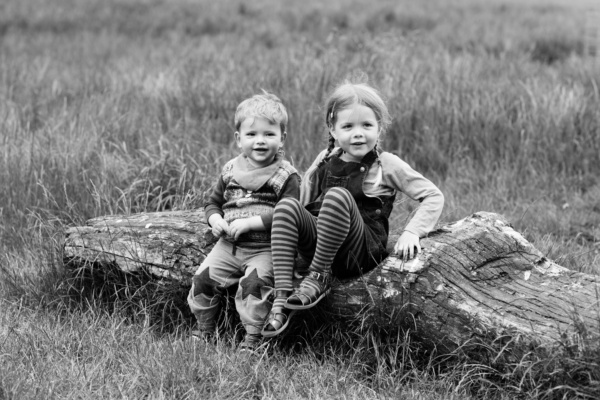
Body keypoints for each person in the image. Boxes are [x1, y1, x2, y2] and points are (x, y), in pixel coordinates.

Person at [261, 80, 444, 337]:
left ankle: (319, 277)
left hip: (359, 252)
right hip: (323, 246)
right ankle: (280, 297)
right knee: (287, 207)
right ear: (333, 130)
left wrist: (412, 231)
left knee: (337, 196)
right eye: (348, 126)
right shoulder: (325, 160)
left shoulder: (386, 164)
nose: (358, 133)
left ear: (379, 127)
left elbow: (433, 196)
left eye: (366, 125)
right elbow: (303, 207)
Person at [187, 91, 300, 351]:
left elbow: (290, 212)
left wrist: (251, 223)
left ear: (282, 138)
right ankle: (204, 329)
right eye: (252, 135)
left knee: (254, 287)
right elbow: (212, 203)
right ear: (239, 139)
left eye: (269, 134)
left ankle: (253, 338)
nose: (260, 141)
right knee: (202, 280)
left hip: (266, 248)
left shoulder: (286, 175)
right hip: (228, 245)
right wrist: (214, 219)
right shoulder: (230, 170)